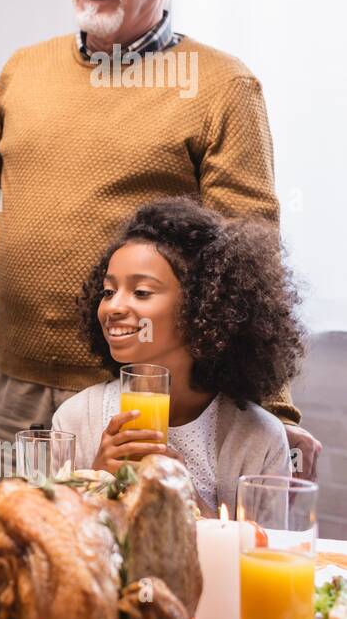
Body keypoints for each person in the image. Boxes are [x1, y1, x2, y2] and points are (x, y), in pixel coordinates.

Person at [0, 0, 319, 473]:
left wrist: (275, 412)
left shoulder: (221, 86)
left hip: (138, 391)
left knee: (127, 556)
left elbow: (252, 259)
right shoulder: (24, 69)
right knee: (17, 552)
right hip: (16, 380)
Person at [52, 198, 300, 516]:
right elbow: (49, 549)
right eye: (108, 291)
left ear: (204, 305)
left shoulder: (258, 438)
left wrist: (188, 499)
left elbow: (262, 556)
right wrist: (98, 481)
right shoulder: (74, 420)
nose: (113, 307)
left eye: (141, 292)